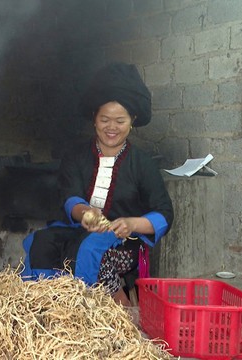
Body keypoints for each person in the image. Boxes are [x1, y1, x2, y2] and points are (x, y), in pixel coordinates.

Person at [21, 62, 174, 306]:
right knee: (42, 242)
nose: (111, 127)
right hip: (78, 231)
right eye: (105, 119)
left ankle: (119, 319)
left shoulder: (142, 163)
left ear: (132, 120)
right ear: (94, 118)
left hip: (123, 243)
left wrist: (132, 223)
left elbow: (165, 213)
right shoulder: (76, 155)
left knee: (92, 250)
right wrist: (84, 213)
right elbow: (68, 195)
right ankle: (45, 306)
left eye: (120, 121)